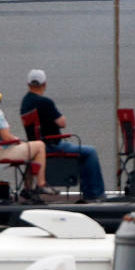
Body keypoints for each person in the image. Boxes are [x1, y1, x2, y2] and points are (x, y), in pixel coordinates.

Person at [20, 68, 106, 201]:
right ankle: (94, 194)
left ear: (28, 84)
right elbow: (62, 123)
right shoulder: (45, 102)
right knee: (90, 152)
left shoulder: (25, 102)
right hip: (52, 145)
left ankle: (89, 193)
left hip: (35, 147)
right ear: (44, 84)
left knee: (83, 151)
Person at [0, 82, 55, 202]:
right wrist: (17, 140)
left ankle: (28, 189)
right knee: (39, 146)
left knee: (31, 150)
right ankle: (40, 184)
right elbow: (6, 137)